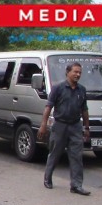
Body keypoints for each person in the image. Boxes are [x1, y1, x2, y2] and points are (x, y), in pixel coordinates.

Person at [38, 62, 91, 196]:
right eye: (75, 72)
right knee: (55, 153)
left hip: (75, 126)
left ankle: (76, 185)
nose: (78, 74)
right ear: (67, 72)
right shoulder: (58, 88)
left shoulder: (82, 90)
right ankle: (47, 178)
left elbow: (84, 110)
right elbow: (48, 107)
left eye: (80, 72)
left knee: (77, 156)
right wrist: (43, 125)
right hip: (60, 125)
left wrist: (86, 127)